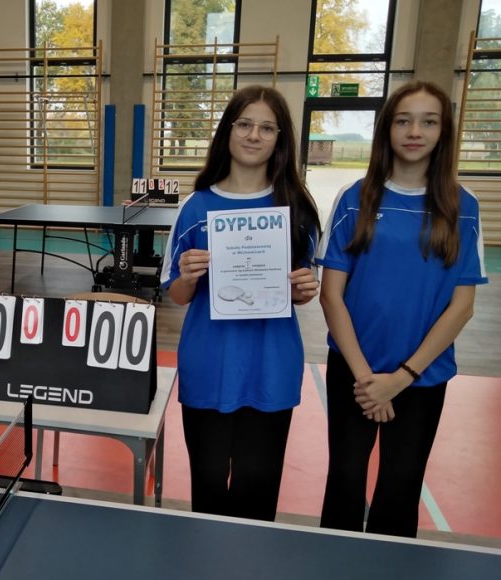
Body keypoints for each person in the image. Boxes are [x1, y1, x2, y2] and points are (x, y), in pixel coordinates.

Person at [317, 81, 488, 538]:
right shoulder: (354, 197)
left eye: (428, 122)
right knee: (345, 479)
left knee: (401, 483)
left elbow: (462, 307)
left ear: (443, 131)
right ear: (387, 129)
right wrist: (366, 379)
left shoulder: (464, 206)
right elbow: (331, 295)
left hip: (422, 377)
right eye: (403, 121)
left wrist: (401, 378)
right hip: (355, 372)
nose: (415, 132)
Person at [160, 85, 321, 521]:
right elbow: (176, 294)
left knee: (257, 489)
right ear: (227, 132)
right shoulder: (195, 207)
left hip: (271, 367)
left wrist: (304, 289)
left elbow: (303, 290)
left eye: (267, 128)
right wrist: (188, 276)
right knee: (209, 485)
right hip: (210, 366)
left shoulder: (298, 210)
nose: (254, 135)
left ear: (280, 139)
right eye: (245, 124)